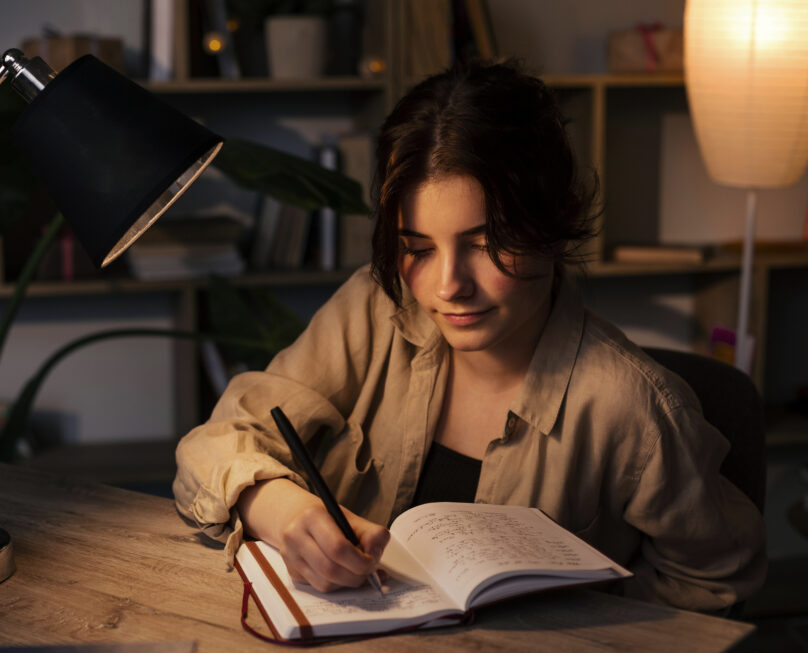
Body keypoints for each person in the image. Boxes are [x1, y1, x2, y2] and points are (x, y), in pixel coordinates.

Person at [173, 59, 765, 613]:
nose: (448, 286)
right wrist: (278, 506)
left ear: (552, 225)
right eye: (418, 249)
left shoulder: (635, 407)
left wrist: (579, 638)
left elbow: (715, 584)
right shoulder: (375, 310)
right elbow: (214, 445)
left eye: (485, 244)